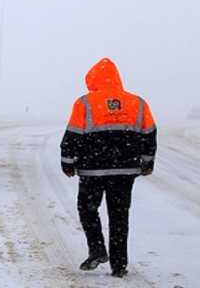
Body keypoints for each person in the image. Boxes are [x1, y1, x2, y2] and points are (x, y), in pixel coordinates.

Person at [60, 58, 157, 278]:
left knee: (87, 209)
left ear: (93, 79)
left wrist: (67, 162)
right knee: (120, 215)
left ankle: (97, 249)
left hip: (92, 170)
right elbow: (149, 134)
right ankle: (119, 265)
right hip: (125, 171)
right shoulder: (137, 102)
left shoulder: (85, 103)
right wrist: (147, 161)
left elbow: (73, 135)